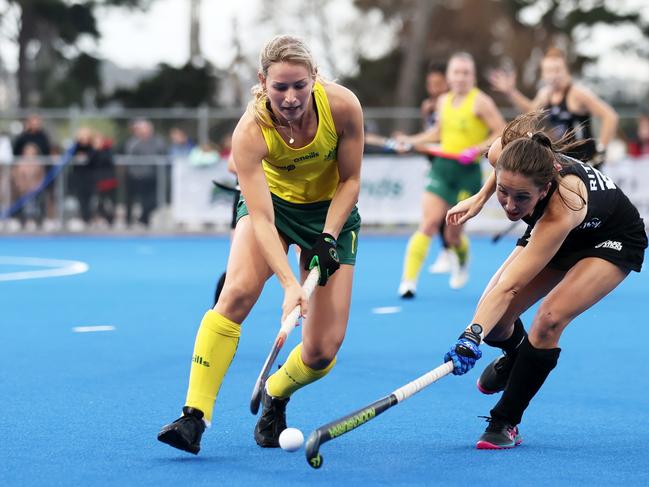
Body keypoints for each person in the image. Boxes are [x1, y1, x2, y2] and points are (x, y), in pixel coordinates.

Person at [157, 34, 364, 455]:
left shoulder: (342, 107)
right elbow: (263, 219)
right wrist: (290, 284)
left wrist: (327, 236)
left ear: (314, 79)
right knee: (235, 294)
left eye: (299, 86)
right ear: (263, 82)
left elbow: (351, 180)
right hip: (274, 209)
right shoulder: (251, 131)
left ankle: (276, 390)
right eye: (280, 87)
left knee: (322, 351)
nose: (290, 97)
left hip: (332, 215)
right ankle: (194, 416)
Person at [443, 111, 647, 449]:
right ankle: (518, 358)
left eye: (522, 197)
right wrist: (480, 198)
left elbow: (510, 287)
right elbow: (499, 168)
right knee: (495, 323)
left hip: (612, 238)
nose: (510, 205)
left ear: (544, 188)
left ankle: (505, 419)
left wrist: (469, 337)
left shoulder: (562, 205)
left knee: (549, 319)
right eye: (504, 192)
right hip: (561, 233)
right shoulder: (502, 153)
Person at [397, 52, 505, 297]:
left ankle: (463, 260)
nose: (460, 78)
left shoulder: (481, 102)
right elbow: (437, 132)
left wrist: (477, 149)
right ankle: (408, 282)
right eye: (456, 72)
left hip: (467, 173)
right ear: (449, 76)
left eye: (466, 73)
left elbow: (502, 130)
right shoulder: (443, 101)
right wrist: (410, 141)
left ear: (473, 76)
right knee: (429, 223)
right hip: (442, 169)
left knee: (453, 233)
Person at [489, 47, 618, 167]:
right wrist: (511, 92)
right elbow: (530, 111)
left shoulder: (577, 93)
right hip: (564, 159)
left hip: (586, 161)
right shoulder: (545, 94)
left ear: (566, 70)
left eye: (557, 70)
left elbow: (610, 116)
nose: (553, 75)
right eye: (549, 71)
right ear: (543, 74)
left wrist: (602, 149)